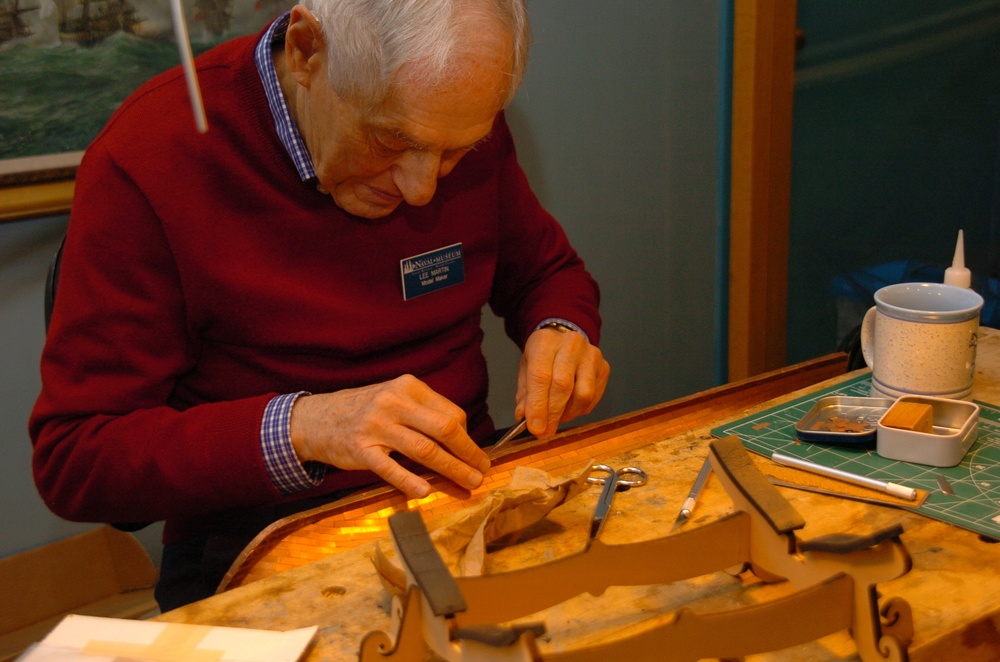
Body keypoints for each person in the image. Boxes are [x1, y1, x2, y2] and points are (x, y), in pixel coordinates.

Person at [30, 0, 609, 611]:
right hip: (259, 541)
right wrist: (308, 428)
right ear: (307, 51)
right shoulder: (150, 157)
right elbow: (77, 457)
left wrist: (560, 329)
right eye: (392, 140)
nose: (422, 188)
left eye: (453, 154)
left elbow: (547, 274)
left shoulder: (445, 118)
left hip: (465, 492)